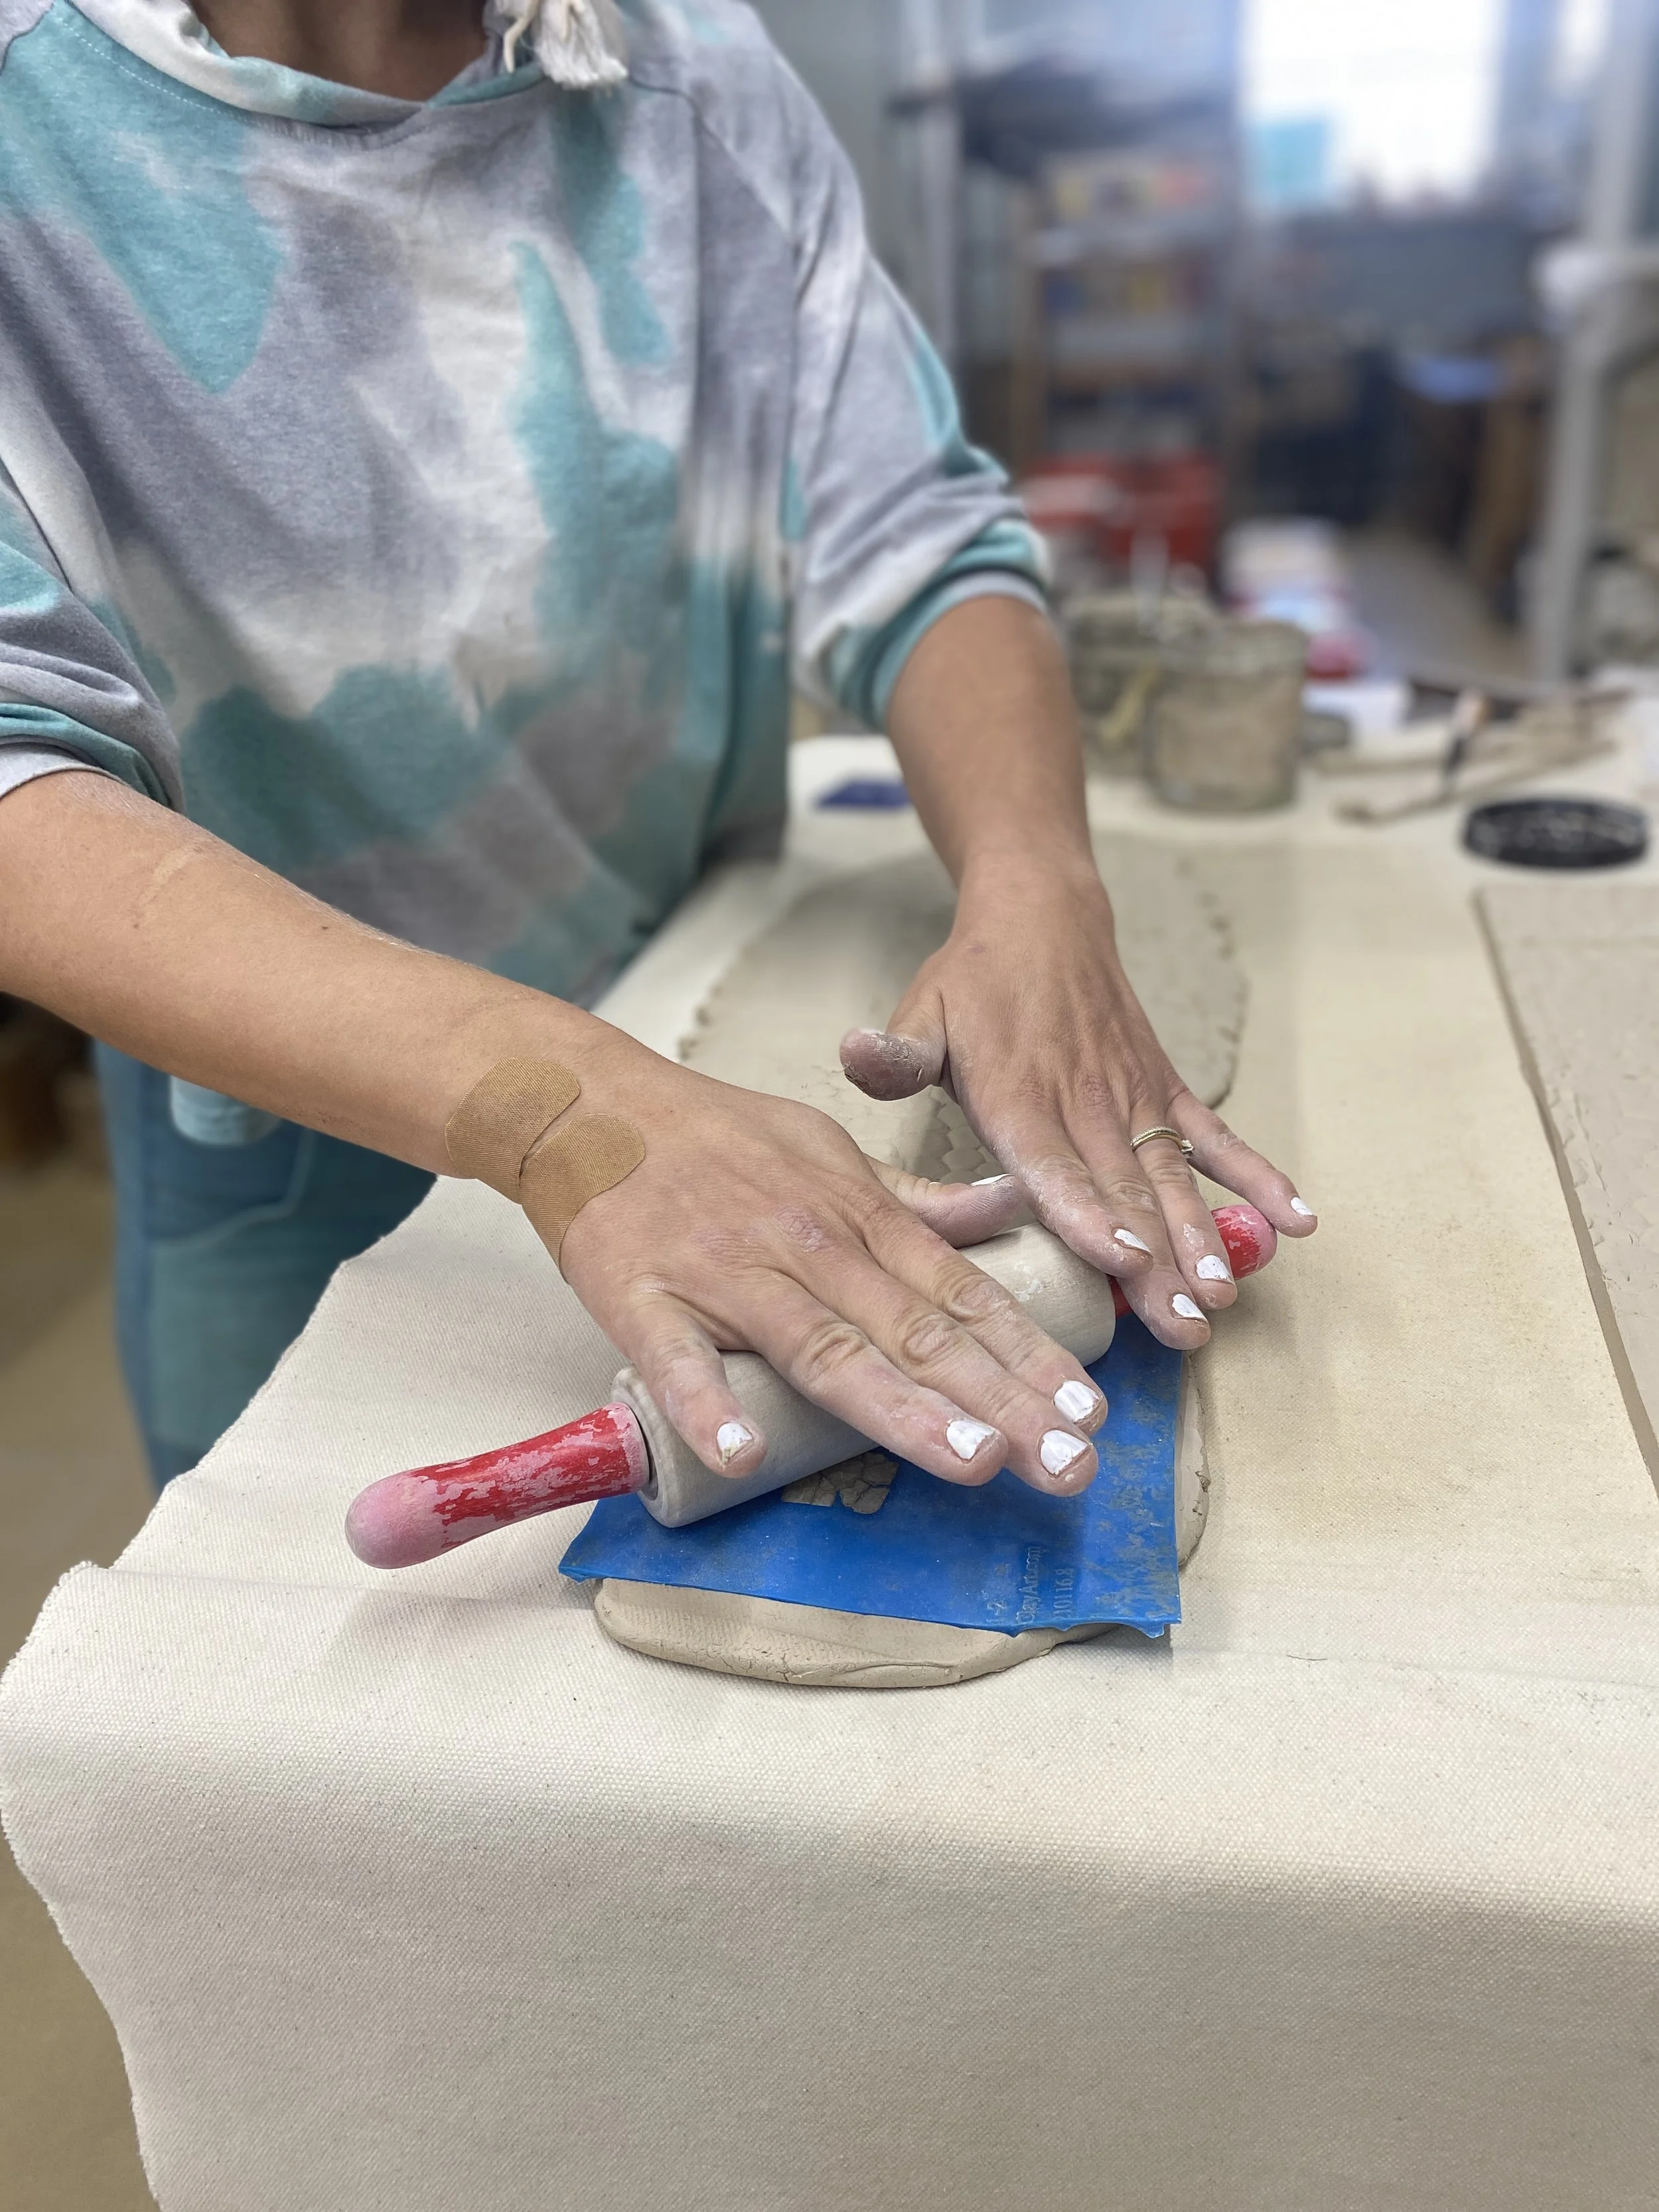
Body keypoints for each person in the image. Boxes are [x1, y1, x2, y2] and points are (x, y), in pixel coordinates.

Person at [0, 0, 1315, 1500]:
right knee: (289, 1635)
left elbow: (917, 535)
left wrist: (1037, 888)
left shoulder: (688, 74)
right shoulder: (35, 121)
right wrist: (561, 1110)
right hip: (280, 1111)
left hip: (690, 996)